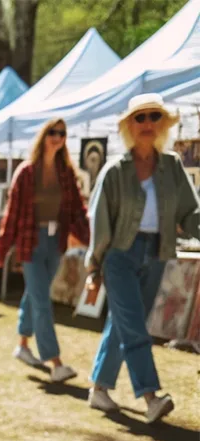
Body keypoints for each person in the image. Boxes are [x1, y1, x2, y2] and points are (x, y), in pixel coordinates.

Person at [85, 93, 200, 423]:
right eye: (140, 117)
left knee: (123, 324)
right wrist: (94, 266)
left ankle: (99, 389)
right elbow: (101, 222)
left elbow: (190, 213)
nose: (147, 123)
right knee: (134, 325)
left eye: (154, 116)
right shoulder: (114, 171)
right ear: (128, 126)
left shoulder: (172, 167)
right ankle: (150, 396)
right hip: (119, 255)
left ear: (162, 124)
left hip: (159, 252)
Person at [0, 118, 89, 383]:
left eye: (62, 133)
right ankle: (55, 362)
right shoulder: (26, 172)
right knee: (41, 300)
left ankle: (23, 345)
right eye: (53, 132)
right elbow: (11, 214)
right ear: (43, 135)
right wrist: (3, 250)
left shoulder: (66, 172)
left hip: (56, 241)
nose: (57, 137)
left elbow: (77, 209)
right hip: (31, 240)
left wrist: (88, 237)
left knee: (35, 294)